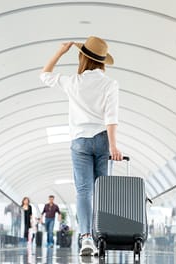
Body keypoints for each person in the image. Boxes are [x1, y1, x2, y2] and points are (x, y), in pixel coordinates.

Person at [40, 36, 122, 256]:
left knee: (83, 191)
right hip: (103, 140)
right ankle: (101, 236)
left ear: (83, 58)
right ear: (103, 61)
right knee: (101, 191)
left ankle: (86, 238)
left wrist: (60, 52)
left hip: (79, 142)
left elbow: (44, 75)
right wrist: (114, 146)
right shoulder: (110, 84)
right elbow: (111, 117)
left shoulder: (73, 82)